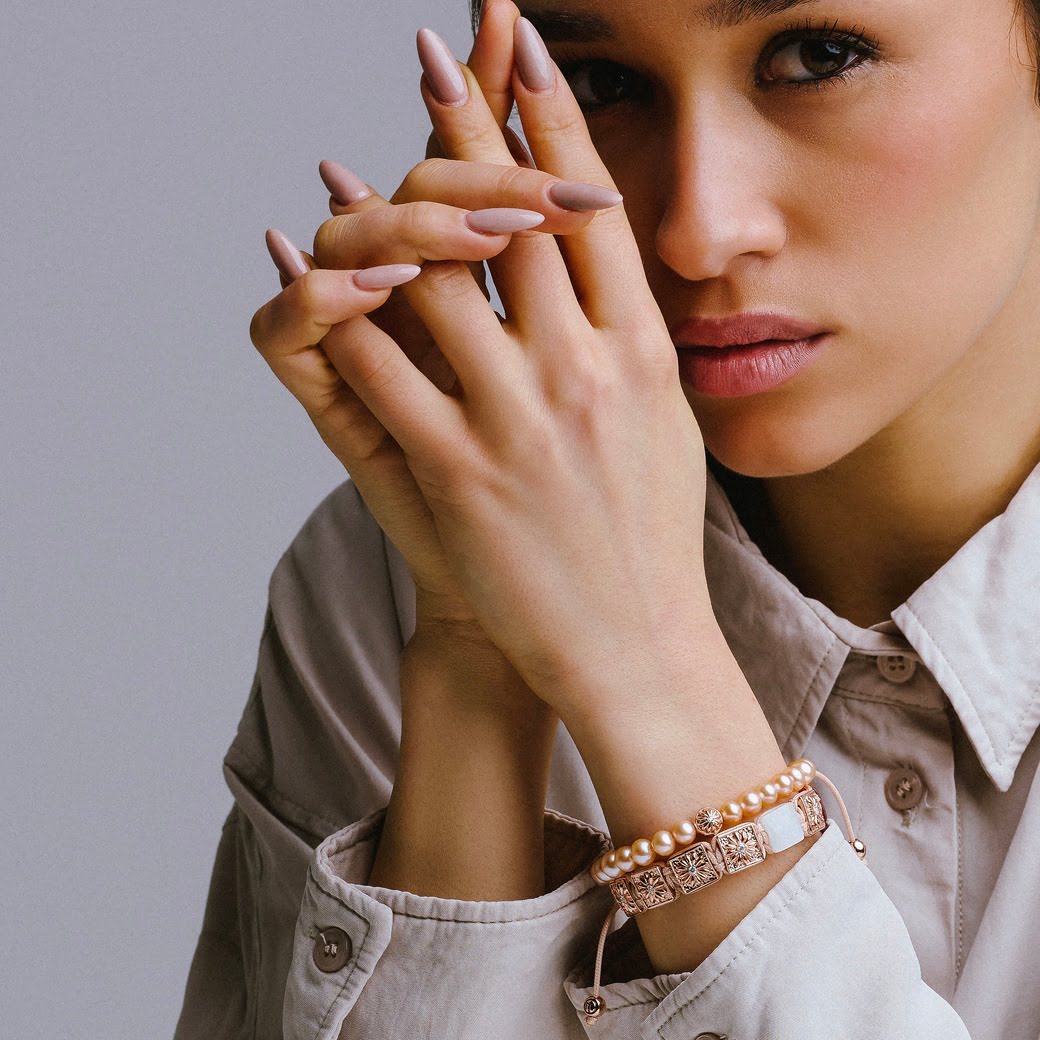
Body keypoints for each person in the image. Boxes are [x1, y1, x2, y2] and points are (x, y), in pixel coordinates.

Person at [174, 0, 1040, 1036]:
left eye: (817, 57)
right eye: (599, 83)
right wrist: (474, 657)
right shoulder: (400, 576)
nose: (696, 231)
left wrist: (650, 669)